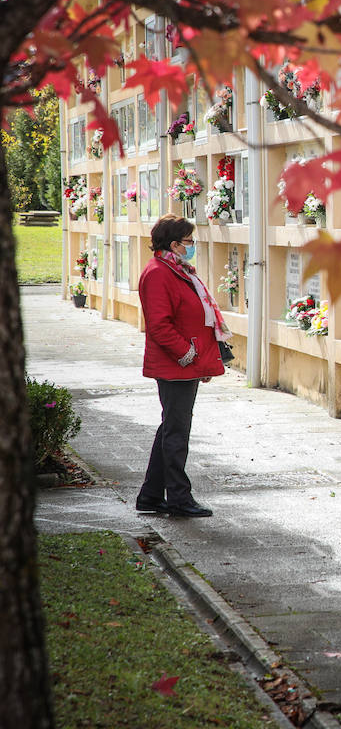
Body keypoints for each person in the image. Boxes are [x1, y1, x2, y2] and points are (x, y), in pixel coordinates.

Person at [134, 214, 228, 517]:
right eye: (189, 241)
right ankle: (178, 498)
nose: (192, 246)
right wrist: (189, 355)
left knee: (170, 429)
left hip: (184, 364)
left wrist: (201, 361)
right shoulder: (159, 273)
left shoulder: (176, 270)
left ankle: (150, 496)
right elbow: (159, 326)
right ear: (174, 244)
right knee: (176, 434)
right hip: (175, 365)